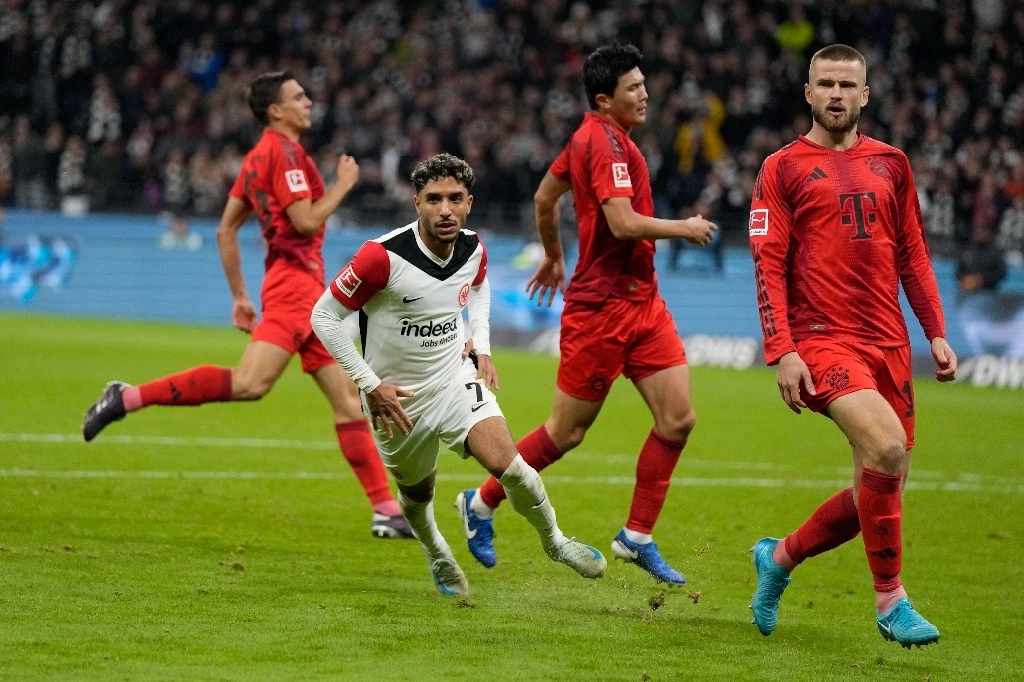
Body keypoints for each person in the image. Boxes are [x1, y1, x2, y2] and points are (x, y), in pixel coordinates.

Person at [81, 71, 413, 540]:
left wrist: (240, 295)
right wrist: (344, 184)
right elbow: (304, 221)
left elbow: (225, 229)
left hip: (300, 288)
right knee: (251, 384)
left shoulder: (258, 157)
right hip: (295, 288)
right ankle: (127, 396)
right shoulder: (285, 154)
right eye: (299, 97)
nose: (309, 102)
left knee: (348, 404)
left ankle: (385, 510)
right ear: (275, 110)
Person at [453, 43, 718, 585]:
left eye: (645, 84)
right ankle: (478, 504)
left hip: (643, 303)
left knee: (678, 418)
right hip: (600, 310)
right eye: (634, 88)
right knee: (565, 433)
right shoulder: (601, 144)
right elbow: (621, 223)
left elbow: (545, 198)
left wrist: (553, 254)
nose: (645, 94)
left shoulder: (592, 138)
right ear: (604, 99)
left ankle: (636, 537)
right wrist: (684, 228)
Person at [309, 153, 607, 597]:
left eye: (453, 199)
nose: (444, 210)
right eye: (433, 200)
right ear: (416, 203)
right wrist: (370, 385)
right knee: (416, 496)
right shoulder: (380, 258)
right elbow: (323, 317)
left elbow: (480, 286)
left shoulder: (474, 247)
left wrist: (480, 344)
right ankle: (435, 551)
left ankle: (556, 542)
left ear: (469, 202)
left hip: (453, 381)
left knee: (514, 469)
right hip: (397, 401)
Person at [746, 44, 957, 648]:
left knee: (879, 480)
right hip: (821, 341)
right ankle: (891, 601)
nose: (836, 94)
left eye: (847, 85)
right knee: (886, 446)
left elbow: (912, 253)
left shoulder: (892, 163)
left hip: (887, 342)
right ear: (807, 93)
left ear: (865, 95)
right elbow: (768, 265)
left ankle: (779, 558)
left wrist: (935, 331)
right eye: (825, 84)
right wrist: (782, 349)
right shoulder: (781, 168)